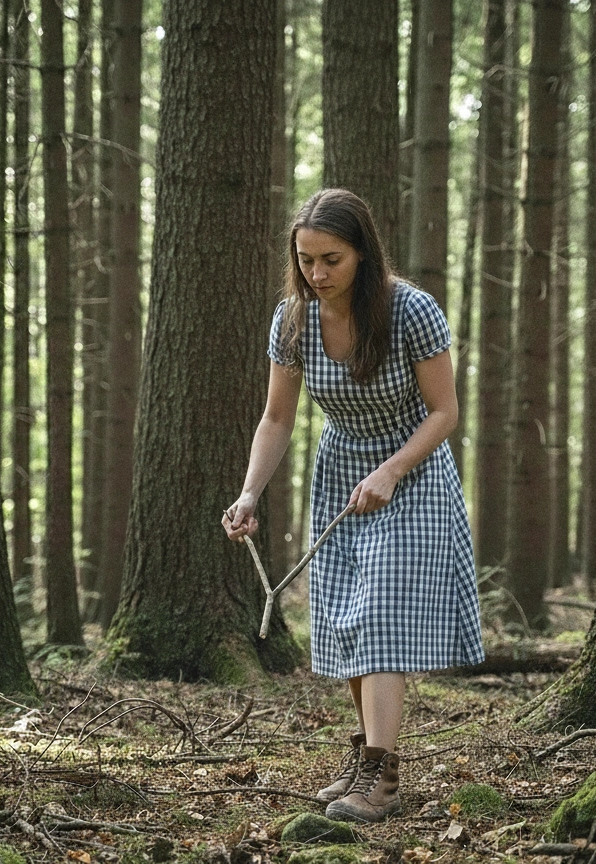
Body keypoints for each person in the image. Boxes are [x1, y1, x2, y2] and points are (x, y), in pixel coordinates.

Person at [222, 188, 485, 823]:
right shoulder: (293, 320)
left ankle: (383, 780)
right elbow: (276, 418)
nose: (317, 274)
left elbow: (446, 412)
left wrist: (392, 472)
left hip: (410, 473)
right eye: (306, 259)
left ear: (363, 254)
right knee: (345, 621)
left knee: (381, 618)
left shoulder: (412, 310)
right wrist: (250, 491)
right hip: (342, 471)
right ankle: (365, 758)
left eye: (331, 260)